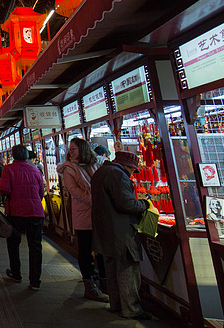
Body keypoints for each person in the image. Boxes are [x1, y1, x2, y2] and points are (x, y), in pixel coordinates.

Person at [92, 151, 152, 320]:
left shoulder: (101, 172)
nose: (133, 174)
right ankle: (131, 309)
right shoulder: (118, 175)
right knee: (127, 270)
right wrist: (144, 203)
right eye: (134, 170)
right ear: (128, 166)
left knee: (111, 269)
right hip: (121, 230)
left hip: (105, 229)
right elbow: (126, 203)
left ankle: (116, 304)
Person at [57, 137, 107, 301]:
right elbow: (74, 191)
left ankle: (105, 283)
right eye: (70, 149)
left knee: (102, 250)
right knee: (85, 250)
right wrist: (97, 201)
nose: (70, 152)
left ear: (83, 150)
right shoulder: (69, 169)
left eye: (74, 149)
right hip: (83, 214)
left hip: (100, 214)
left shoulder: (96, 165)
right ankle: (89, 286)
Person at [0, 144, 45, 290]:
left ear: (13, 155)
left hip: (16, 212)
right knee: (35, 246)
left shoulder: (9, 169)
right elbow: (41, 192)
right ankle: (35, 281)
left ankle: (16, 273)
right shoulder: (36, 170)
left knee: (13, 243)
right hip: (35, 212)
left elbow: (4, 189)